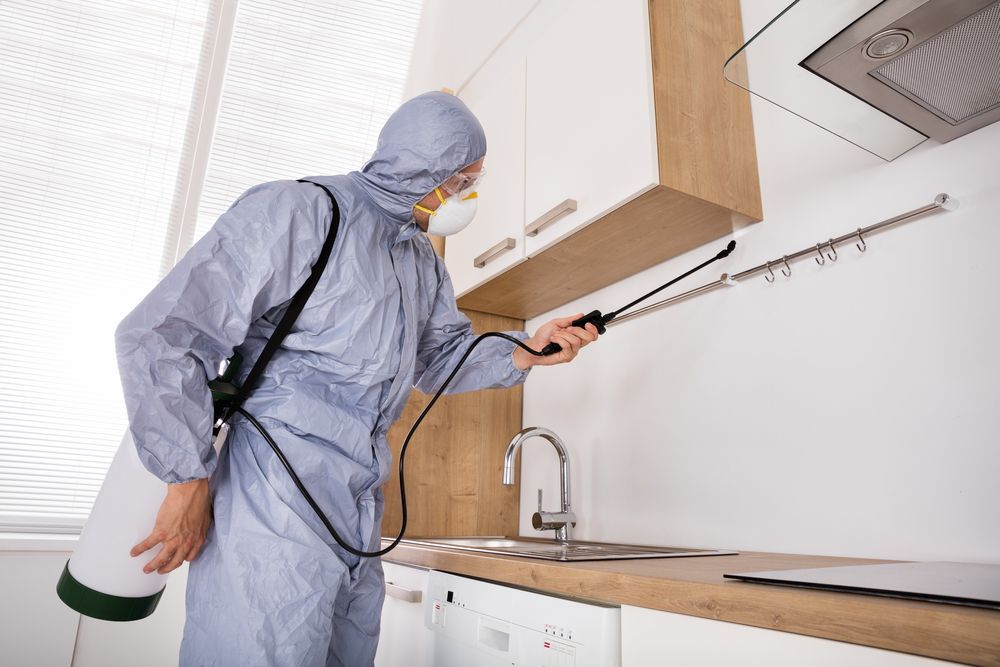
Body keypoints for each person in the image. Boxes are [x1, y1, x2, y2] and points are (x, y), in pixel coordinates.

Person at [114, 91, 598, 666]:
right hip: (272, 498)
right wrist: (186, 480)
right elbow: (164, 334)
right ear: (426, 170)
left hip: (358, 512)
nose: (470, 195)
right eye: (464, 180)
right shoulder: (299, 212)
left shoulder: (420, 260)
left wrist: (526, 351)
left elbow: (440, 358)